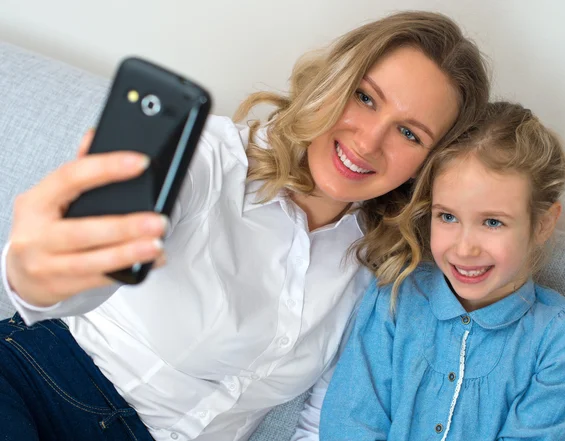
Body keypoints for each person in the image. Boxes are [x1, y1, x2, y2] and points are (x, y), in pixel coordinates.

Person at [0, 11, 489, 441]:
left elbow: (325, 419)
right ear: (333, 81)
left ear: (429, 164)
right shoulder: (211, 158)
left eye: (409, 132)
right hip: (41, 380)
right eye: (364, 97)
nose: (368, 140)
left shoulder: (380, 262)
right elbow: (72, 278)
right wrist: (39, 274)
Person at [319, 101, 565, 441]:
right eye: (447, 217)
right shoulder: (395, 296)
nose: (465, 249)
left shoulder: (564, 338)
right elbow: (350, 422)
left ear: (542, 224)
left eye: (492, 222)